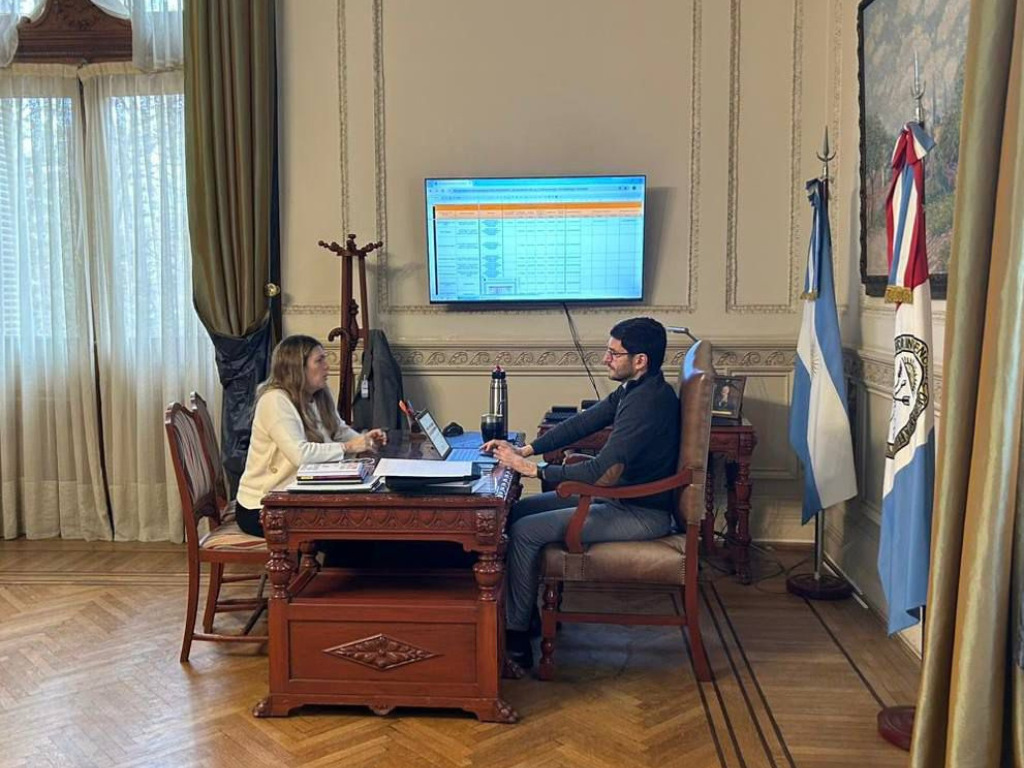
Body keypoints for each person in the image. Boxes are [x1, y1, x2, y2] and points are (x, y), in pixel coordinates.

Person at [483, 317, 681, 668]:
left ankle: (515, 639)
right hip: (620, 499)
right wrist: (527, 451)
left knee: (525, 531)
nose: (605, 359)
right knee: (516, 513)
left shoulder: (648, 403)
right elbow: (582, 423)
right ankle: (524, 613)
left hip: (639, 513)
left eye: (613, 353)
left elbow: (600, 472)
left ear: (640, 360)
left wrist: (531, 469)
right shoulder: (635, 389)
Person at [235, 334, 388, 537]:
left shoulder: (318, 395)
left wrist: (366, 440)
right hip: (265, 506)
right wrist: (351, 447)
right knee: (352, 529)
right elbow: (300, 454)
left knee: (362, 524)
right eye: (319, 360)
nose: (327, 366)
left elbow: (339, 431)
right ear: (297, 367)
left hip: (301, 496)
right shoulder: (274, 400)